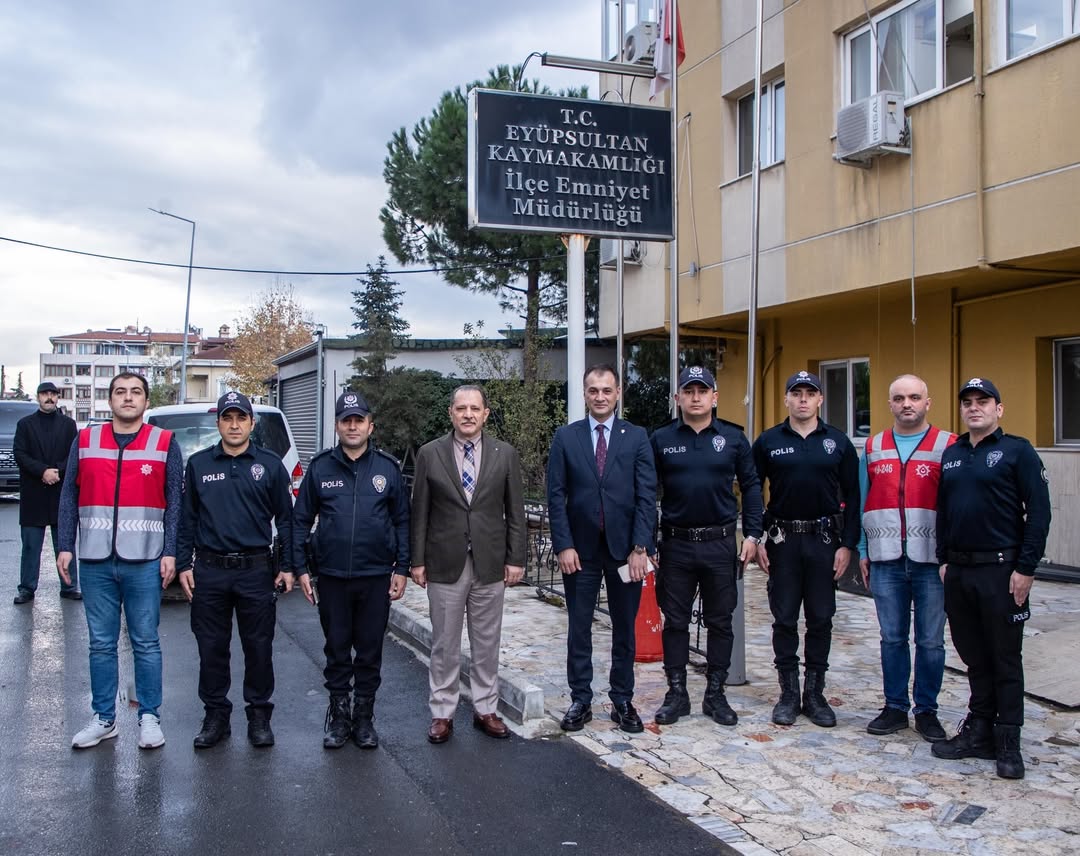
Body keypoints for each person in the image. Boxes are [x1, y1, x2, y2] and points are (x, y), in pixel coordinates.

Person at [932, 377, 1051, 779]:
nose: (974, 407)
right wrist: (943, 559)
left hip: (1002, 571)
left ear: (998, 409)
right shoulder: (953, 454)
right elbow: (944, 511)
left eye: (983, 401)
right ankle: (979, 731)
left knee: (1004, 658)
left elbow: (1039, 513)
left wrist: (1026, 568)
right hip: (959, 571)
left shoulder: (1018, 451)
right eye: (967, 402)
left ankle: (1008, 742)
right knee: (973, 657)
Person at [57, 372, 182, 750]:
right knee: (100, 643)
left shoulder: (164, 442)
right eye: (121, 392)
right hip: (95, 558)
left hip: (145, 558)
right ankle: (104, 718)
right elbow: (68, 495)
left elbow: (175, 501)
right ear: (110, 400)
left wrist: (171, 551)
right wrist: (65, 544)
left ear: (146, 401)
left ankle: (149, 717)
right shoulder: (85, 440)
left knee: (146, 642)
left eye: (136, 392)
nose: (128, 398)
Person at [177, 391, 302, 749]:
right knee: (211, 648)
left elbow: (287, 520)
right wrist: (183, 563)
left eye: (241, 418)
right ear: (218, 423)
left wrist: (289, 566)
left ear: (251, 423)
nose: (234, 425)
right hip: (210, 570)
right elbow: (187, 519)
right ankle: (216, 716)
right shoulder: (199, 464)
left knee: (258, 647)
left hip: (255, 570)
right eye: (227, 418)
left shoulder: (270, 465)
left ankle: (259, 716)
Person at [410, 385, 527, 744]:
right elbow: (419, 511)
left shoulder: (504, 454)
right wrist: (417, 560)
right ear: (451, 413)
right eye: (461, 408)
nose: (468, 415)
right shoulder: (430, 453)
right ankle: (442, 712)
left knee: (487, 642)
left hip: (490, 562)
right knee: (444, 643)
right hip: (444, 562)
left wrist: (516, 558)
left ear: (485, 414)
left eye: (475, 408)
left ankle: (485, 708)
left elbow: (516, 512)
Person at [292, 392, 409, 750]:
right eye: (347, 420)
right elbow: (300, 520)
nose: (353, 426)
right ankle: (340, 717)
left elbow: (403, 521)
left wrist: (402, 567)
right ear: (337, 426)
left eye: (359, 420)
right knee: (337, 649)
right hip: (331, 576)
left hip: (375, 576)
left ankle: (364, 718)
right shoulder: (320, 468)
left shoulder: (387, 469)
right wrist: (300, 568)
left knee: (370, 651)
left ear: (371, 426)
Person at [650, 366, 763, 727]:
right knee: (675, 622)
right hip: (676, 545)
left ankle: (715, 694)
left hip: (719, 544)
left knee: (720, 622)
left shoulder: (733, 438)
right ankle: (677, 693)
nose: (695, 397)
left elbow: (752, 486)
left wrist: (753, 535)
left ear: (715, 397)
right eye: (689, 391)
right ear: (678, 398)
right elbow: (647, 491)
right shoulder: (661, 438)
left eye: (702, 391)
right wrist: (647, 542)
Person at [547, 364, 657, 734]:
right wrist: (563, 544)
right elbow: (556, 495)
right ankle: (580, 699)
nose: (600, 397)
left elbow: (646, 496)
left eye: (606, 390)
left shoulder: (636, 437)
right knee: (579, 627)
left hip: (625, 552)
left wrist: (641, 547)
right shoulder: (566, 437)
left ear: (618, 393)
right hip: (580, 553)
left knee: (624, 627)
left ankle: (622, 699)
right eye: (593, 390)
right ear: (584, 393)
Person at [752, 370, 860, 728]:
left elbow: (854, 496)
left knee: (820, 617)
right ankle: (788, 693)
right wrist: (756, 536)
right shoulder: (768, 441)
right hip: (783, 540)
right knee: (784, 618)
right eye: (796, 393)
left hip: (824, 541)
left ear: (819, 399)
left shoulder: (838, 442)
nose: (802, 399)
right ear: (786, 399)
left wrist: (848, 545)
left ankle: (814, 694)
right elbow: (752, 490)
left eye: (809, 393)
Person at [859, 374, 955, 742]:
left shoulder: (948, 445)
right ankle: (895, 707)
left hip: (931, 560)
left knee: (930, 641)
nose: (907, 404)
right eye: (899, 398)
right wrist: (863, 550)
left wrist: (951, 557)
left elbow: (957, 504)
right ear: (890, 404)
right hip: (886, 559)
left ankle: (926, 711)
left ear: (927, 402)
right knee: (892, 638)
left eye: (914, 397)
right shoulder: (873, 446)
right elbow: (863, 502)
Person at [14, 381, 80, 604]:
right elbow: (20, 454)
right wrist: (42, 471)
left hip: (61, 493)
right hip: (34, 493)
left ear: (58, 397)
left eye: (53, 394)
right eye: (45, 394)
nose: (49, 397)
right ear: (38, 397)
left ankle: (69, 586)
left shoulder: (69, 425)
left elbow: (74, 454)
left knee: (65, 543)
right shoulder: (25, 424)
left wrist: (57, 471)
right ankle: (27, 588)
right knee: (31, 546)